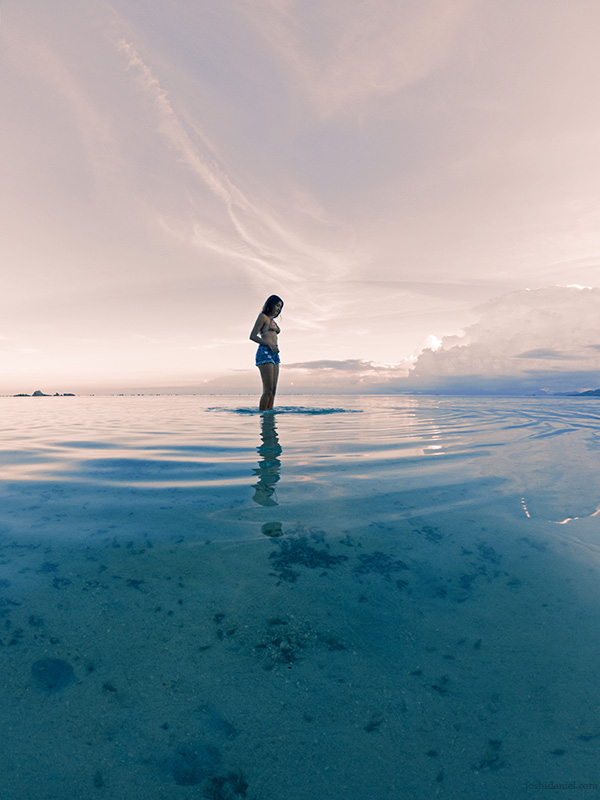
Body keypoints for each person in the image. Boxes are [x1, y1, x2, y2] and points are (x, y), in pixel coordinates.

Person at [249, 295, 283, 410]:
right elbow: (252, 336)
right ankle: (263, 416)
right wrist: (269, 344)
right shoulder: (262, 317)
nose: (278, 309)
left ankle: (270, 418)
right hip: (265, 352)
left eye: (280, 307)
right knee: (267, 390)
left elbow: (277, 331)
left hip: (275, 354)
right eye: (277, 305)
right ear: (271, 304)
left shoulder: (272, 321)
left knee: (273, 390)